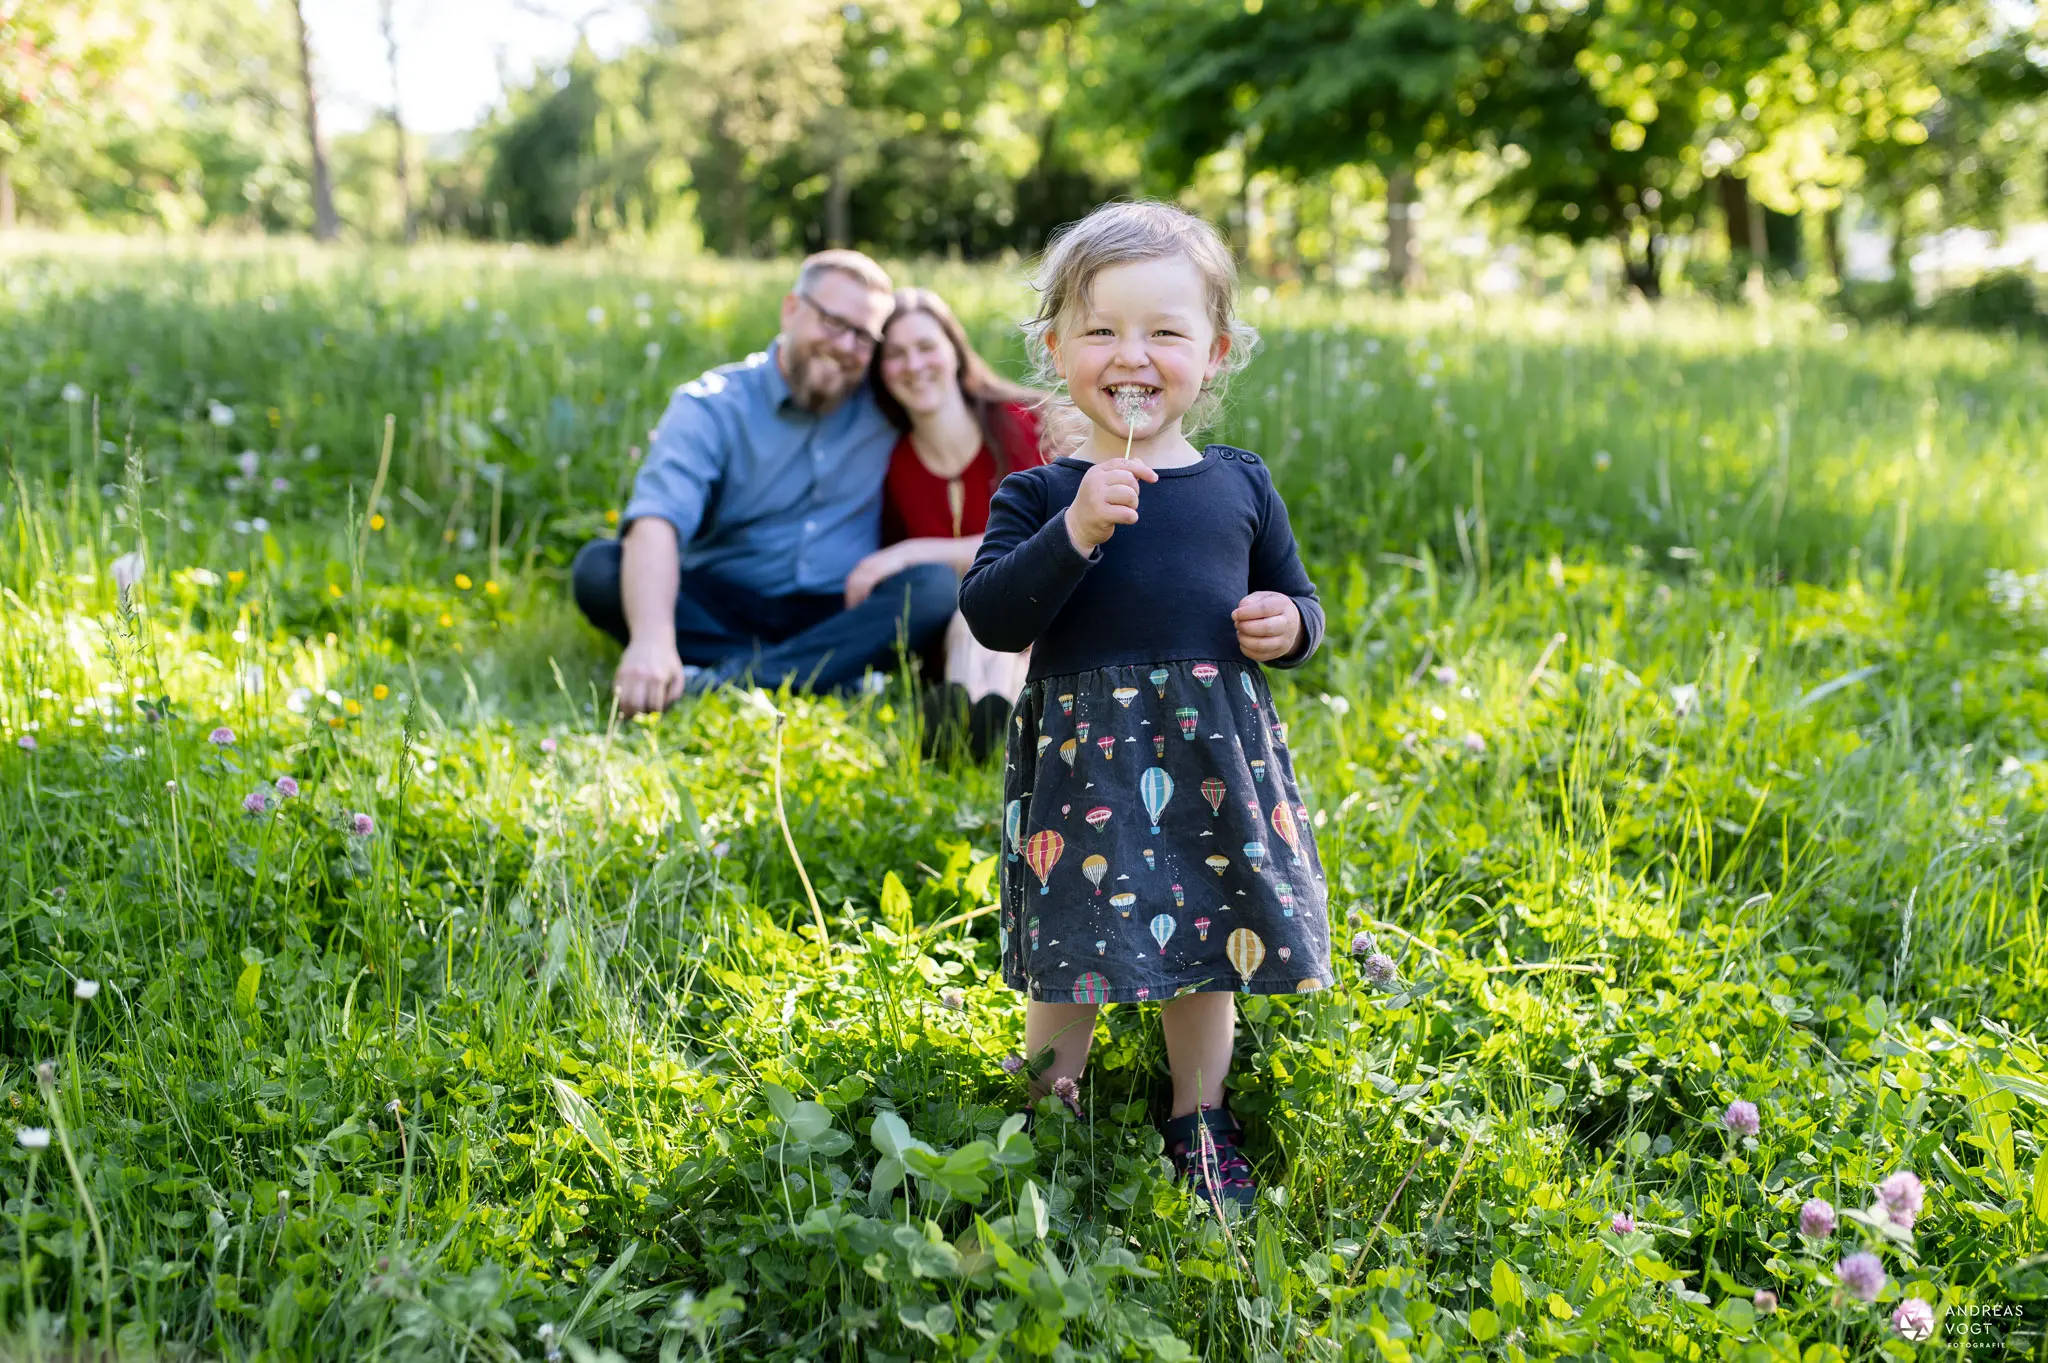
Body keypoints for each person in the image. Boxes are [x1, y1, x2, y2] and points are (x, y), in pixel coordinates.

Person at [958, 201, 1332, 1214]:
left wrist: (1285, 625)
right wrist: (1075, 529)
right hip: (1088, 762)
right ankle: (1049, 1099)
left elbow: (1301, 602)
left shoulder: (1238, 486)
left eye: (1163, 331)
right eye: (1100, 328)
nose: (1133, 354)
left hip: (1209, 753)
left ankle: (1197, 1112)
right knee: (1071, 936)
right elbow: (992, 617)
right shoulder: (1039, 494)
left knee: (1208, 938)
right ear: (1053, 348)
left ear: (1211, 354)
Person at [571, 249, 957, 713]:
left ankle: (721, 679)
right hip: (722, 601)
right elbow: (657, 518)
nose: (845, 346)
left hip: (836, 612)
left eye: (863, 337)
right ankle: (825, 677)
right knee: (600, 569)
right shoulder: (712, 405)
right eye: (833, 323)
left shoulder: (885, 405)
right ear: (791, 309)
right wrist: (652, 639)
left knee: (934, 588)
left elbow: (965, 403)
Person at [849, 287, 1044, 760]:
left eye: (925, 347)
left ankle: (981, 729)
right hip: (957, 634)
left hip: (1047, 610)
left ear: (954, 353)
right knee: (969, 620)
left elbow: (1045, 540)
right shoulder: (897, 466)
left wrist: (909, 552)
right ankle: (972, 724)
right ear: (881, 372)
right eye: (895, 355)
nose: (914, 365)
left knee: (999, 620)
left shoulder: (1026, 423)